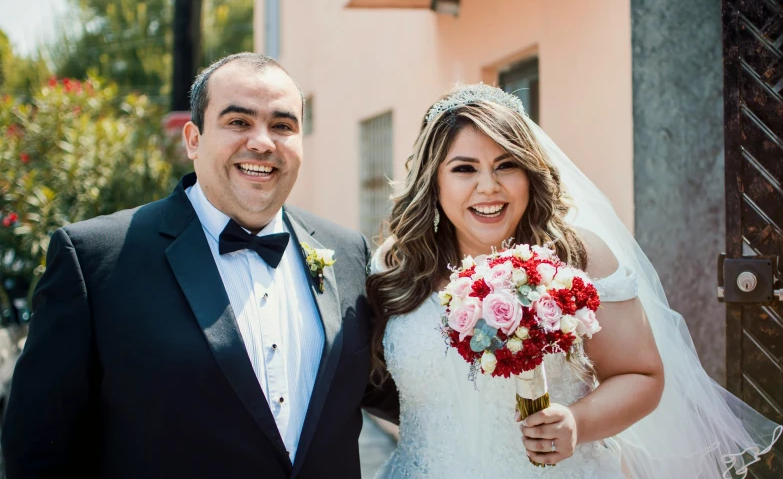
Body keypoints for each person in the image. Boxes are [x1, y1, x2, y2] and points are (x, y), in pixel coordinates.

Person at [2, 53, 398, 479]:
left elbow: (394, 387)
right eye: (238, 122)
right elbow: (36, 450)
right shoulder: (95, 259)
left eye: (283, 126)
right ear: (193, 139)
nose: (263, 142)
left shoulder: (348, 252)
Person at [366, 83, 781, 478]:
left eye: (506, 165)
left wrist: (577, 422)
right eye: (464, 169)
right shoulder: (397, 268)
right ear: (434, 181)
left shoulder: (580, 258)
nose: (488, 187)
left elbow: (642, 376)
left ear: (530, 173)